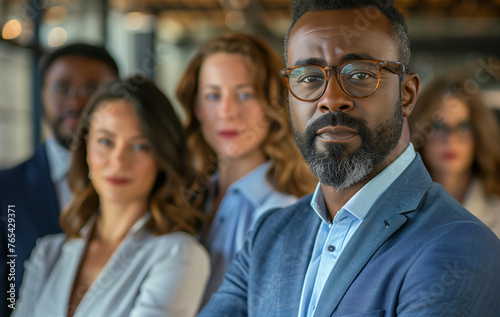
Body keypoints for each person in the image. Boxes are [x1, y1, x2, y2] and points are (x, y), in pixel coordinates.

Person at [198, 0, 500, 316]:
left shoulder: (462, 246)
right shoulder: (269, 236)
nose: (330, 99)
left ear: (407, 95)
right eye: (309, 77)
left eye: (359, 74)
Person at [13, 76, 210, 317]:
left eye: (140, 146)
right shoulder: (48, 253)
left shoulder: (179, 255)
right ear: (86, 147)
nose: (118, 161)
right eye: (106, 141)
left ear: (161, 157)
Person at [176, 32, 316, 305]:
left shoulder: (288, 213)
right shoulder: (185, 196)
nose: (228, 111)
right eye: (213, 95)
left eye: (244, 94)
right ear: (197, 108)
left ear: (273, 104)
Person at [0, 43, 119, 314]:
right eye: (62, 88)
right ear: (42, 95)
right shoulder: (4, 191)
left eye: (92, 89)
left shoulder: (145, 185)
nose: (76, 102)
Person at [409, 75, 500, 237]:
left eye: (463, 126)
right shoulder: (397, 209)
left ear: (479, 134)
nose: (450, 139)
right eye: (438, 125)